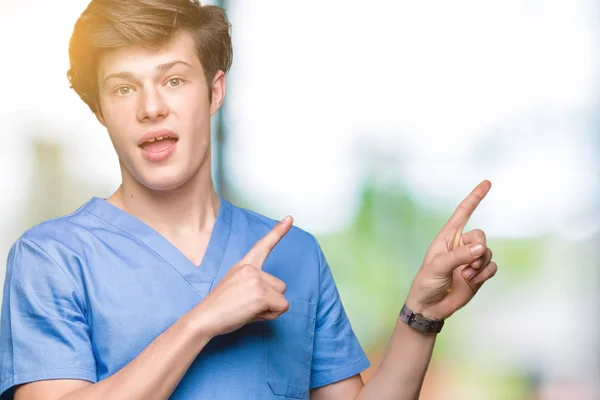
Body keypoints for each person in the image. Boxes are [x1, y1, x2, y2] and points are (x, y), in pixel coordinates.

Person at [0, 1, 498, 399]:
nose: (151, 108)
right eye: (124, 88)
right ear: (100, 110)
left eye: (174, 80)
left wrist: (422, 315)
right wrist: (202, 321)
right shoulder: (51, 259)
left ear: (215, 91)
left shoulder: (295, 254)